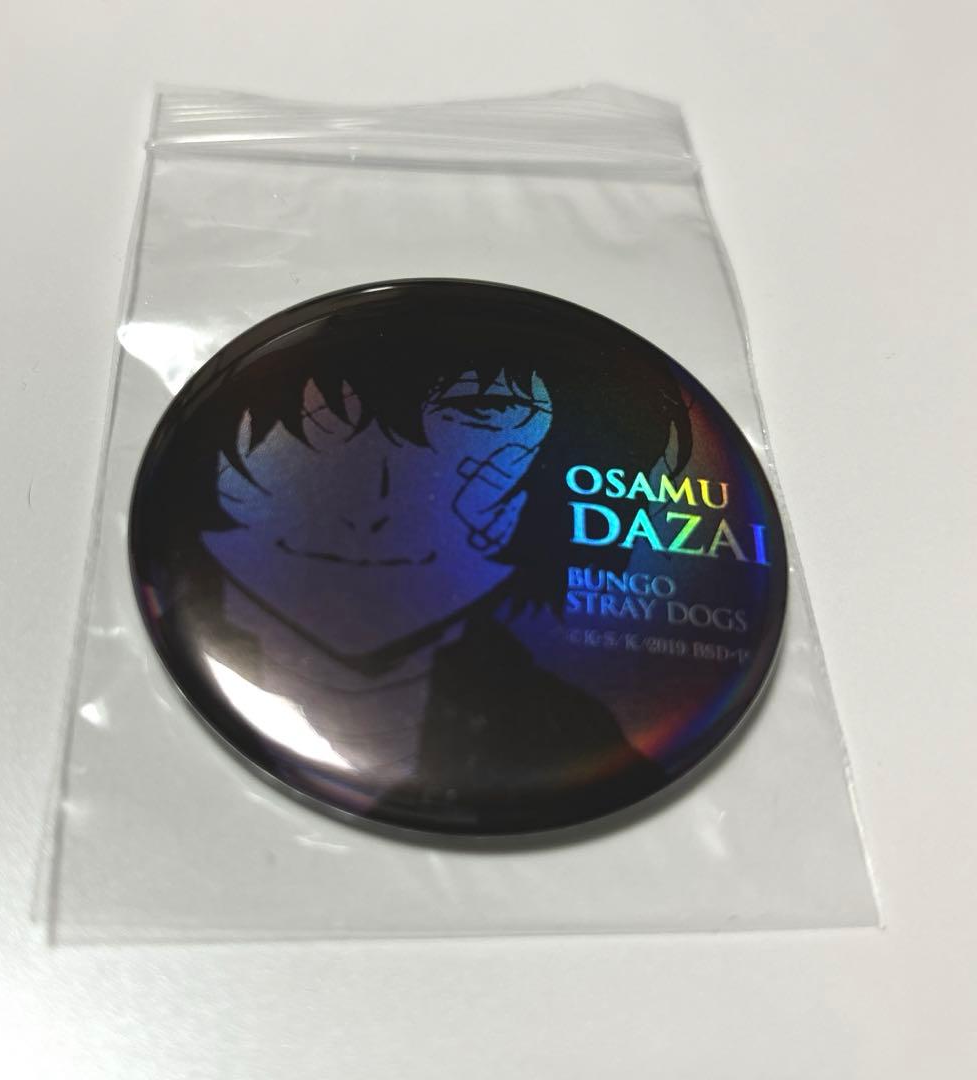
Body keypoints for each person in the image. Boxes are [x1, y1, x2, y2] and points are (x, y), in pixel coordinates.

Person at [134, 283, 693, 831]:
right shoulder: (163, 668)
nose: (374, 497)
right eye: (318, 419)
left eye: (483, 410)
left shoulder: (569, 738)